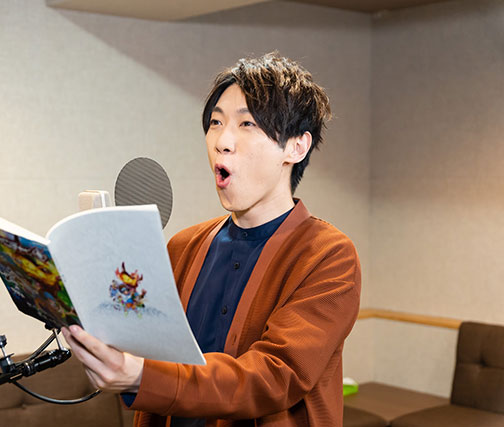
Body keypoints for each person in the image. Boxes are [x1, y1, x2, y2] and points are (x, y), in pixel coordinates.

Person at [62, 52, 361, 426]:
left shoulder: (328, 256)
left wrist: (140, 376)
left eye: (247, 124)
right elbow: (150, 349)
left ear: (296, 147)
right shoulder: (183, 246)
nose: (222, 141)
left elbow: (273, 376)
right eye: (216, 123)